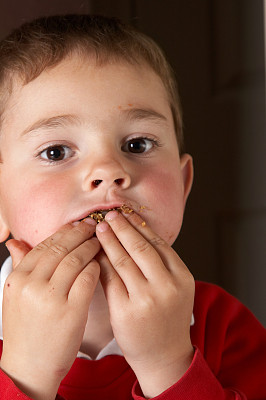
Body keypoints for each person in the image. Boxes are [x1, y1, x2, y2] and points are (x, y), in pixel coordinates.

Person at [0, 14, 265, 400]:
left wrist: (169, 366)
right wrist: (27, 374)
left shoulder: (223, 324)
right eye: (56, 151)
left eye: (137, 145)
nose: (109, 171)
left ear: (184, 184)